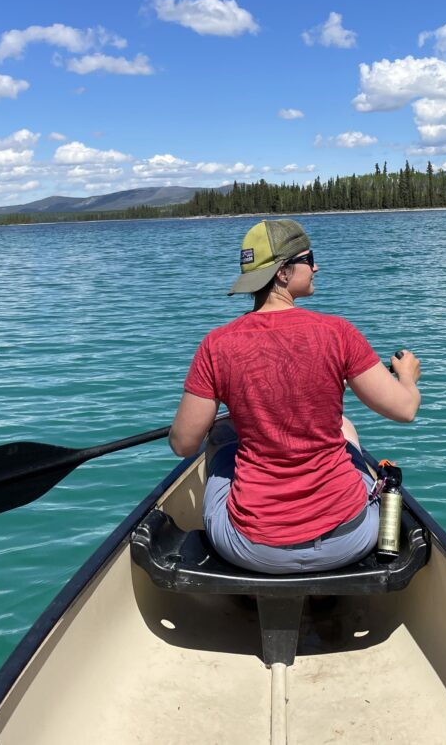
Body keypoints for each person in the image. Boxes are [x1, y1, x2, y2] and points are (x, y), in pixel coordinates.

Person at [169, 218, 421, 574]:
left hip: (252, 548)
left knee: (222, 435)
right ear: (283, 273)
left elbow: (183, 444)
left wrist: (221, 419)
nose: (317, 266)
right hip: (350, 538)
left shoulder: (217, 345)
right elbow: (406, 409)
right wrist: (407, 377)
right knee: (344, 427)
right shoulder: (338, 333)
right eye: (309, 258)